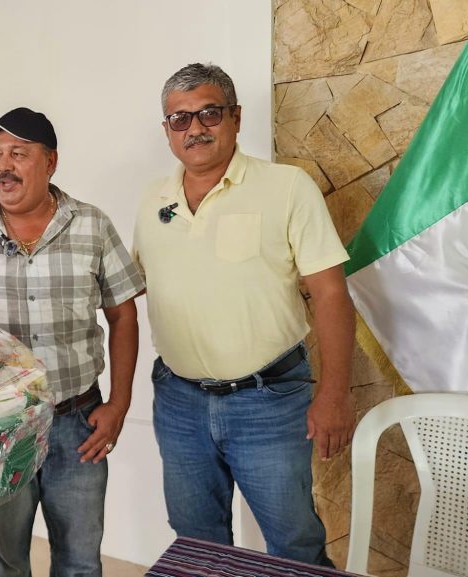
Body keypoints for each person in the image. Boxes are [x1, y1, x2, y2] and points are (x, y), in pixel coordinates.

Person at [132, 63, 355, 566]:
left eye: (208, 114)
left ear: (235, 117)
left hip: (268, 401)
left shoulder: (287, 187)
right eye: (180, 119)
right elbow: (134, 284)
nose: (194, 128)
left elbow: (330, 295)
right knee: (196, 545)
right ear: (167, 130)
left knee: (294, 546)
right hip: (179, 401)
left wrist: (335, 394)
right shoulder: (153, 200)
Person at [0, 107, 144, 576]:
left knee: (80, 561)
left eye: (18, 153)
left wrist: (119, 404)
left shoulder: (92, 225)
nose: (3, 166)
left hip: (77, 423)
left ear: (50, 162)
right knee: (5, 560)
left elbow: (123, 315)